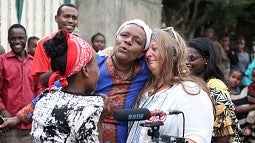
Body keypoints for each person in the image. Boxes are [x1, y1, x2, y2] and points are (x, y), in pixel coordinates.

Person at [0, 19, 152, 143]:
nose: (128, 41)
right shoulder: (93, 65)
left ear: (142, 53)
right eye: (124, 36)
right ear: (116, 39)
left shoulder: (147, 70)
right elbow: (53, 92)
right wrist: (18, 118)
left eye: (137, 41)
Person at [127, 28, 214, 143]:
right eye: (147, 50)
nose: (148, 54)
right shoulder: (146, 90)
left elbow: (198, 139)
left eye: (155, 49)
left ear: (173, 54)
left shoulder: (190, 92)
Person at [30, 29, 109, 142]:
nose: (98, 71)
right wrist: (99, 122)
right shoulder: (89, 110)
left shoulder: (44, 98)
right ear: (85, 70)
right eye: (97, 65)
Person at [186, 37, 241, 142]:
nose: (186, 62)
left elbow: (224, 133)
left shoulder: (215, 86)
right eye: (185, 58)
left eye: (192, 58)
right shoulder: (195, 83)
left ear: (206, 60)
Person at [0, 24, 43, 143]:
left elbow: (39, 89)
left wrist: (33, 109)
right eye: (13, 38)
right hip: (9, 124)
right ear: (8, 40)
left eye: (20, 38)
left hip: (31, 124)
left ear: (25, 39)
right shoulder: (2, 61)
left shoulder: (34, 62)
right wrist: (3, 110)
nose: (17, 41)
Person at [32, 3, 78, 87]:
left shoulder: (80, 45)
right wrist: (58, 66)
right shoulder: (44, 44)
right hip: (52, 94)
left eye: (74, 18)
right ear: (57, 18)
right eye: (66, 16)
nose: (71, 21)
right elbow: (42, 81)